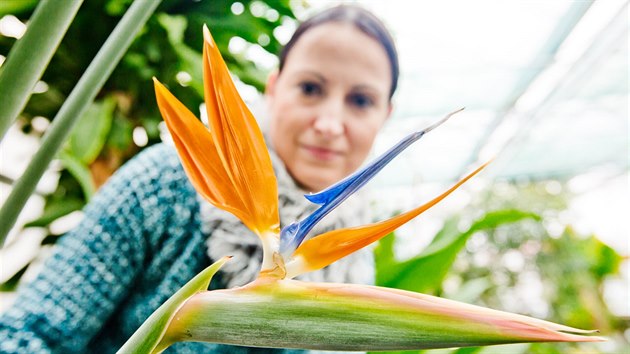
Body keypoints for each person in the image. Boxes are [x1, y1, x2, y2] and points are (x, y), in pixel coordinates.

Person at [0, 4, 399, 353]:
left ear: (386, 114)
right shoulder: (167, 184)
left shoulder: (355, 259)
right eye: (310, 88)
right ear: (274, 88)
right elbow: (29, 335)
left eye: (361, 100)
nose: (329, 124)